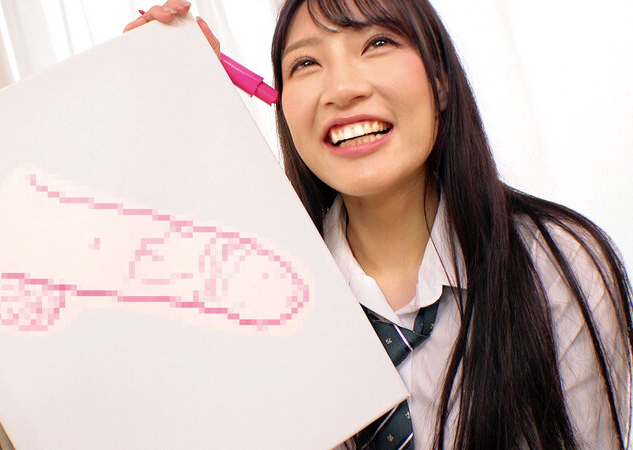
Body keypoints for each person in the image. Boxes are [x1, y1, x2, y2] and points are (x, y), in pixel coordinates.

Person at [125, 0, 632, 448]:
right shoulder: (252, 296)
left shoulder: (556, 264)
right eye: (306, 63)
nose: (342, 89)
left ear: (440, 80)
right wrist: (172, 115)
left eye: (378, 42)